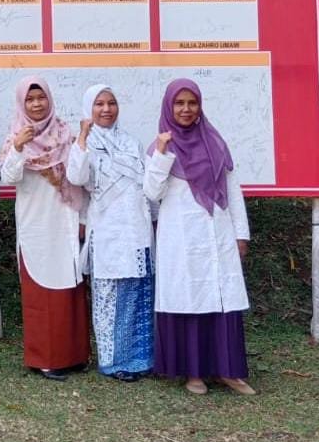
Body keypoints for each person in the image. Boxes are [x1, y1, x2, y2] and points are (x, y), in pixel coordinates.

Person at [143, 78, 255, 396]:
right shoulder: (160, 147)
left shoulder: (215, 143)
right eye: (179, 103)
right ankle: (194, 374)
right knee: (190, 300)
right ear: (169, 107)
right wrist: (162, 153)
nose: (186, 109)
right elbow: (151, 192)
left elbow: (233, 191)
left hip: (217, 233)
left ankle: (229, 372)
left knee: (223, 301)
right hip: (181, 238)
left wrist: (240, 234)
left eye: (192, 103)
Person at [0, 76, 89, 381]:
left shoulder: (65, 134)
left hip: (66, 221)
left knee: (69, 288)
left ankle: (74, 355)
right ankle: (46, 359)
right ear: (22, 103)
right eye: (30, 99)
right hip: (36, 225)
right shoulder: (16, 137)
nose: (37, 104)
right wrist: (19, 147)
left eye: (41, 98)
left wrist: (83, 219)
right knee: (42, 292)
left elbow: (79, 179)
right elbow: (9, 178)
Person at [67, 84, 154, 382]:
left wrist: (154, 220)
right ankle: (113, 362)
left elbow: (146, 186)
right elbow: (76, 177)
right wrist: (82, 137)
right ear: (89, 108)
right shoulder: (84, 144)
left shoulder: (132, 142)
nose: (106, 109)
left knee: (138, 293)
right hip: (107, 231)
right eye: (99, 104)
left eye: (112, 103)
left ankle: (141, 360)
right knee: (109, 298)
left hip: (137, 228)